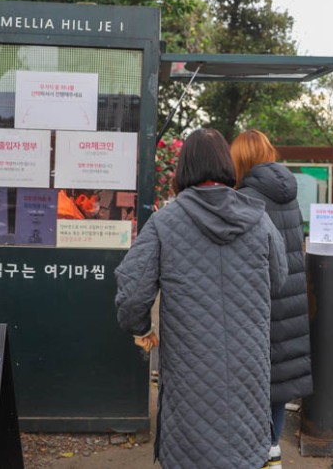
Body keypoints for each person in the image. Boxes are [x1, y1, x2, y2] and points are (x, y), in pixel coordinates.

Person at [115, 128, 288, 469]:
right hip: (248, 371)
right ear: (227, 166)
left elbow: (133, 294)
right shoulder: (260, 219)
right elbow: (278, 280)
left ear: (184, 170)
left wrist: (141, 328)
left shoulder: (165, 222)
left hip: (188, 373)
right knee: (244, 455)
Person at [230, 129, 313, 468]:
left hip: (257, 302)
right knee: (277, 379)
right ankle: (272, 447)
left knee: (250, 379)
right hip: (290, 299)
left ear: (241, 159)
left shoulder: (244, 198)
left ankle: (253, 451)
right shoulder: (289, 195)